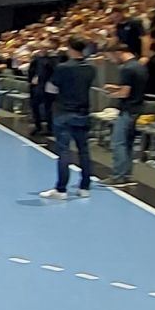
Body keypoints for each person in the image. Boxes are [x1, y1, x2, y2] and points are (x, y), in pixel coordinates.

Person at [40, 37, 96, 200]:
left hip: (64, 112)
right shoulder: (91, 69)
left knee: (64, 151)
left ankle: (61, 189)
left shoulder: (63, 68)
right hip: (83, 112)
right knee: (84, 150)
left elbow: (51, 88)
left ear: (70, 48)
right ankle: (85, 187)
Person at [107, 40, 147, 187]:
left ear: (118, 53)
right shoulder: (139, 67)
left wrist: (112, 94)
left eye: (111, 57)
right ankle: (127, 175)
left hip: (127, 110)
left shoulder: (126, 69)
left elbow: (125, 93)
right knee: (128, 144)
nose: (111, 60)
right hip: (137, 109)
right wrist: (115, 87)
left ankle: (118, 176)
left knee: (119, 143)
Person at [26, 44, 53, 140]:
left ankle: (50, 128)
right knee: (34, 106)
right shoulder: (36, 59)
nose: (43, 50)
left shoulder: (51, 60)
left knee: (48, 108)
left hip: (46, 87)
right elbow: (31, 71)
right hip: (35, 87)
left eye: (45, 48)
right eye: (42, 48)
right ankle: (38, 126)